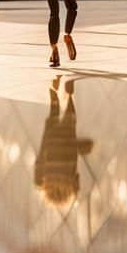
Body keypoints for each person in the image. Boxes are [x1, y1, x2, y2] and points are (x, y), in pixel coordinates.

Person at [34, 76, 94, 206]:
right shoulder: (42, 183)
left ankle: (69, 92)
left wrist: (78, 147)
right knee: (53, 116)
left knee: (70, 116)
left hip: (68, 141)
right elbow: (39, 161)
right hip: (52, 143)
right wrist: (46, 141)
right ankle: (54, 93)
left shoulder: (71, 187)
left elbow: (76, 170)